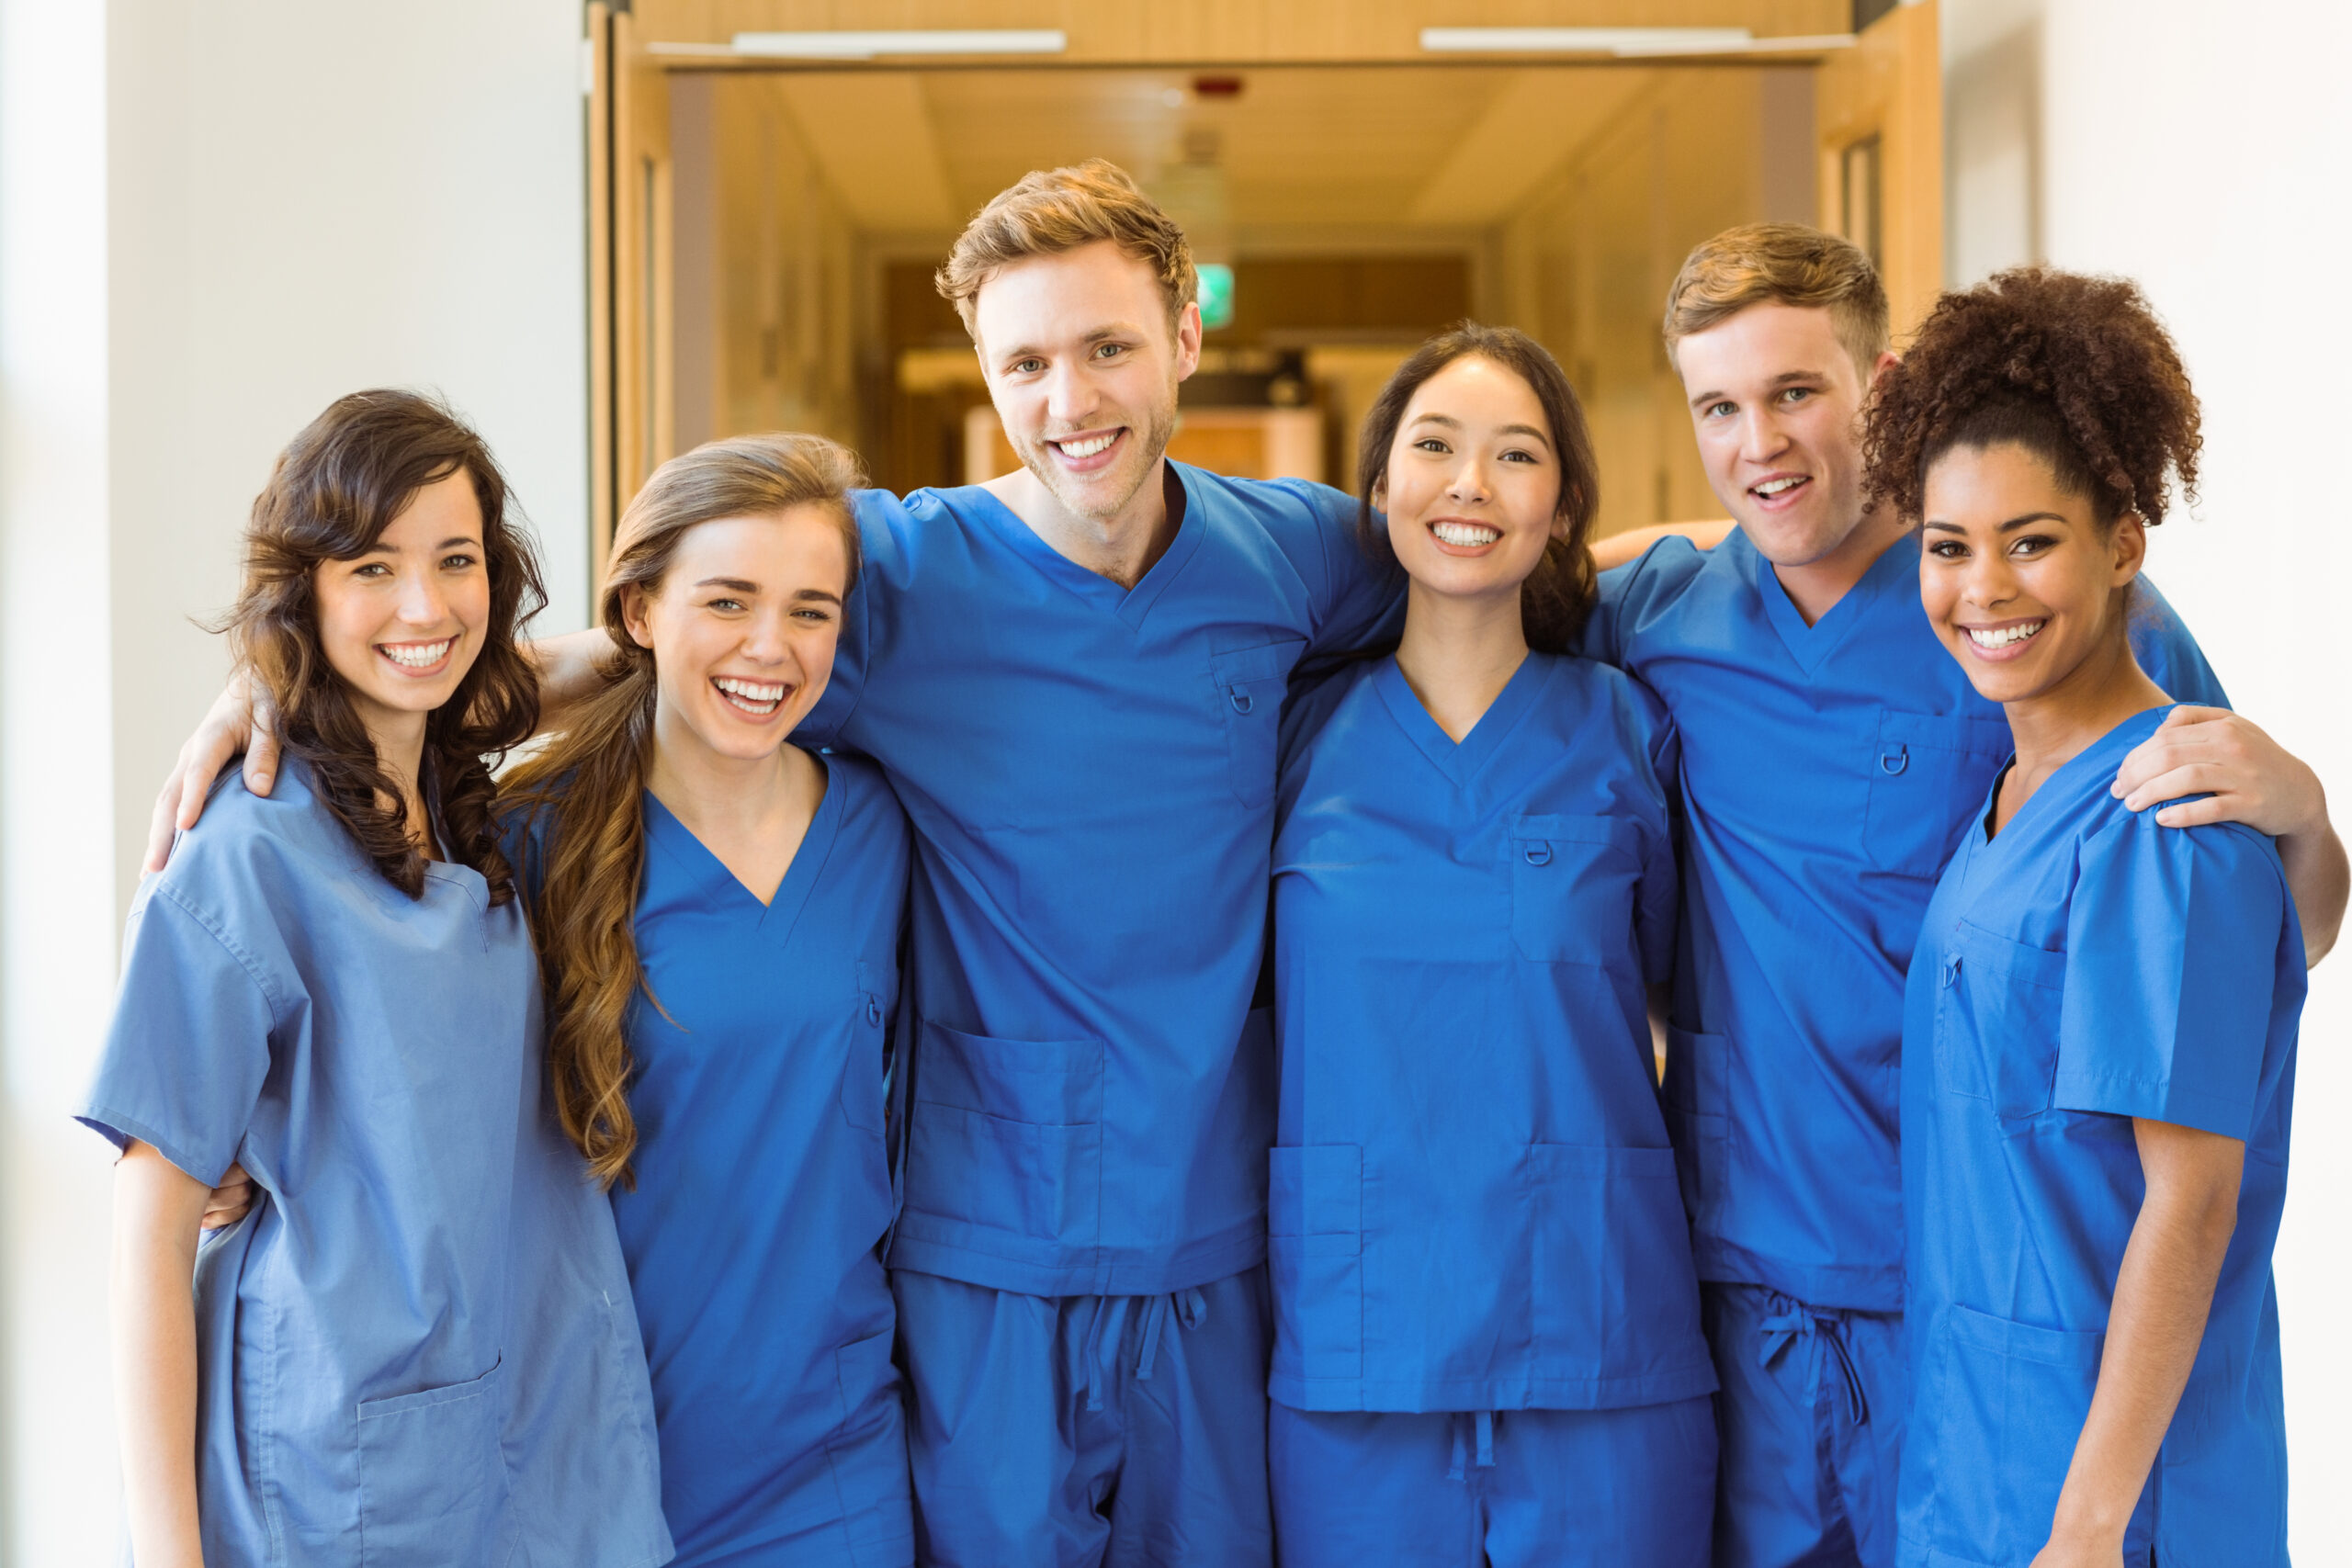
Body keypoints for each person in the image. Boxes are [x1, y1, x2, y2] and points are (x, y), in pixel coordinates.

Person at [151, 160, 1401, 1566]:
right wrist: (305, 683)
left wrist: (1702, 547)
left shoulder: (1293, 554)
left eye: (1109, 346)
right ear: (989, 377)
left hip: (1201, 1231)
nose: (1073, 399)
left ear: (1183, 336)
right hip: (982, 1243)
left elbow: (1498, 559)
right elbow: (690, 625)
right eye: (1028, 361)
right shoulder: (900, 569)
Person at [1580, 225, 2346, 1568]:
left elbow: (2252, 940)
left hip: (1979, 1281)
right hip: (1748, 1280)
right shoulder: (1664, 610)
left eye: (1796, 393)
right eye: (1721, 406)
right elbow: (1507, 575)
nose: (1760, 441)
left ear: (1877, 387)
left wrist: (2306, 807)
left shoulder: (2040, 611)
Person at [84, 391, 670, 1568]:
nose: (423, 606)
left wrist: (707, 608)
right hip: (337, 1477)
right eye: (371, 566)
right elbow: (148, 1233)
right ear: (304, 590)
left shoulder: (453, 797)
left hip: (526, 1436)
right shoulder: (245, 852)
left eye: (457, 561)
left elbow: (598, 659)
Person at [1867, 265, 2301, 1566]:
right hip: (1977, 1458)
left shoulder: (2168, 816)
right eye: (1949, 546)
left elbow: (2192, 1199)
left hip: (2112, 1501)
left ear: (2123, 542)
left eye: (2032, 539)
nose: (1982, 587)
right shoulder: (2009, 798)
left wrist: (2090, 1523)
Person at [1265, 324, 1714, 1566]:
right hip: (1360, 1336)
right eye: (1435, 446)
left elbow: (1690, 995)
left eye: (1516, 455)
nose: (1469, 483)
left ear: (1563, 505)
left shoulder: (1628, 730)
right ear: (1378, 489)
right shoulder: (1294, 736)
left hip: (1601, 1323)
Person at [501, 434, 917, 1566]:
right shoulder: (528, 839)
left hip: (831, 1457)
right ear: (636, 611)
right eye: (726, 600)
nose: (770, 649)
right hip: (592, 1454)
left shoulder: (880, 826)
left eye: (811, 610)